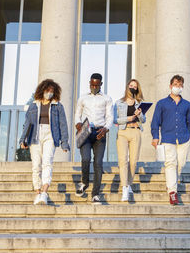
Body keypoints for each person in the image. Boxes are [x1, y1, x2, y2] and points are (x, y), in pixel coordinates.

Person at [19, 79, 70, 205]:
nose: (50, 93)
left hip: (50, 135)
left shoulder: (58, 105)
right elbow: (27, 124)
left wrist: (64, 142)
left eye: (52, 91)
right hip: (35, 135)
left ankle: (44, 192)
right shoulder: (33, 105)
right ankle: (37, 193)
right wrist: (22, 140)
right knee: (36, 165)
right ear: (42, 90)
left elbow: (63, 124)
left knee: (47, 162)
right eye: (48, 91)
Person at [151, 74, 190, 205]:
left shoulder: (187, 104)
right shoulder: (161, 103)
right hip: (168, 138)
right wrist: (155, 137)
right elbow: (155, 122)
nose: (178, 87)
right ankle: (172, 192)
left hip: (183, 138)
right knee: (170, 164)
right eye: (176, 85)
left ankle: (171, 183)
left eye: (180, 85)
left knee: (180, 164)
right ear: (170, 86)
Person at [74, 73, 113, 204]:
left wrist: (106, 128)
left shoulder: (107, 98)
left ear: (101, 84)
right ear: (89, 83)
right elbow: (77, 115)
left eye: (97, 85)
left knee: (98, 163)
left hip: (99, 133)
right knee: (85, 158)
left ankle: (95, 194)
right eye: (92, 84)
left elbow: (109, 117)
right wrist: (78, 123)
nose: (94, 87)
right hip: (85, 131)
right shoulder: (83, 98)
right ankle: (84, 183)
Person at [114, 79, 146, 201]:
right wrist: (129, 118)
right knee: (123, 161)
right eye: (131, 85)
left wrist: (139, 115)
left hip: (136, 132)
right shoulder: (119, 103)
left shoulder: (139, 103)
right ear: (127, 87)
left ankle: (129, 184)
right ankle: (125, 188)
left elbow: (143, 121)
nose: (133, 88)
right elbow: (115, 120)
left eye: (135, 86)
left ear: (137, 89)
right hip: (123, 132)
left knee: (133, 161)